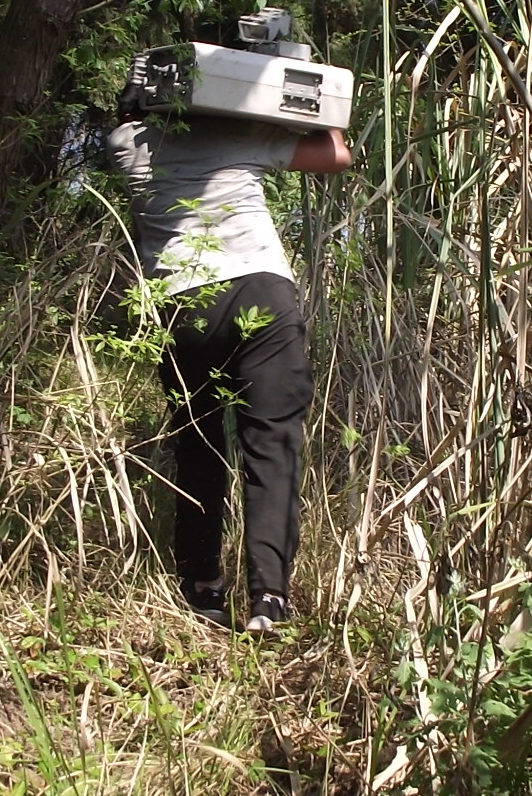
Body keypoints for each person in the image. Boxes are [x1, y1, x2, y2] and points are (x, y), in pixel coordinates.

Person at [107, 92, 351, 633]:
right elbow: (337, 153)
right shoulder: (239, 135)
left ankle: (203, 590)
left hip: (180, 303)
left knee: (197, 444)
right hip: (259, 292)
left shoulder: (125, 145)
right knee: (272, 441)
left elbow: (129, 120)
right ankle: (268, 597)